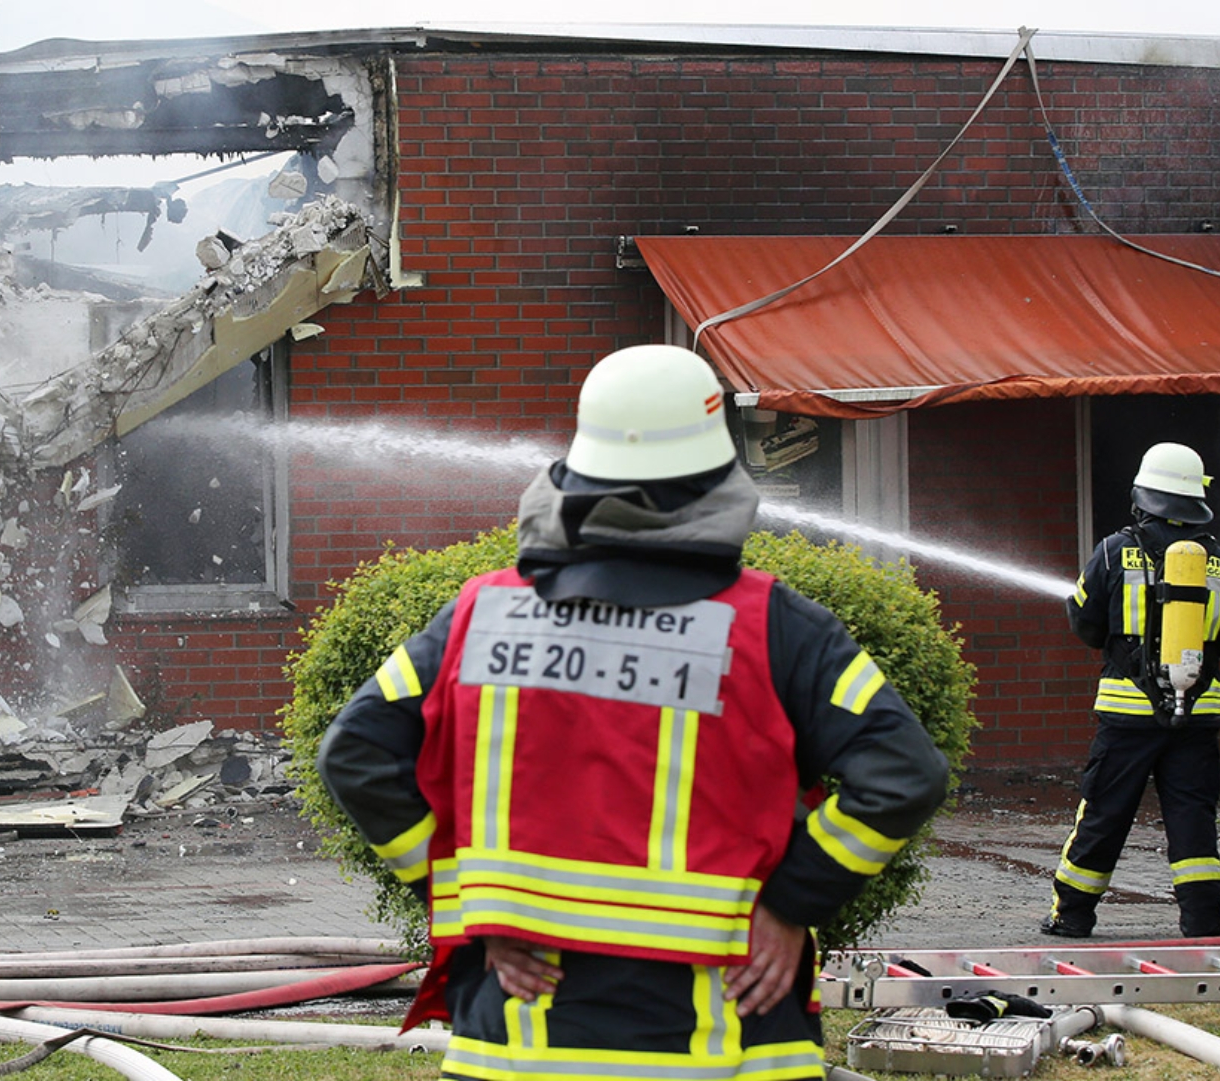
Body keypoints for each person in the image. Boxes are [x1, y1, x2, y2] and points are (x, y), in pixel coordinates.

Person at [318, 345, 950, 1080]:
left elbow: (353, 753)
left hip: (518, 1041)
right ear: (720, 476)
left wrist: (466, 907)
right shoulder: (779, 628)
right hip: (719, 1040)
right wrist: (790, 903)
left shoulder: (479, 615)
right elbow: (905, 774)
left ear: (577, 473)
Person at [1041, 442, 1220, 939]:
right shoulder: (1218, 562)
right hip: (1198, 714)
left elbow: (1086, 624)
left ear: (1144, 497)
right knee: (1192, 815)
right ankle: (1202, 918)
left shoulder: (1114, 550)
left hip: (1127, 714)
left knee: (1105, 812)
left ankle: (1071, 916)